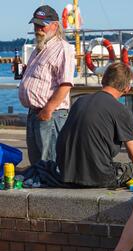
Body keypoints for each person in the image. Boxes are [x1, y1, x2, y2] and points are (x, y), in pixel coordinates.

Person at [56, 62, 133, 189]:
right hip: (99, 177)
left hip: (65, 174)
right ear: (127, 88)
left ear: (103, 80)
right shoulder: (121, 111)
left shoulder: (79, 102)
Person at [19, 5, 76, 165]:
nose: (38, 28)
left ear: (55, 25)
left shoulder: (63, 49)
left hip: (50, 114)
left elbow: (65, 84)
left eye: (42, 25)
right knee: (37, 162)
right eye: (36, 24)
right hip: (35, 112)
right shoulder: (40, 48)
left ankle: (49, 188)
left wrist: (48, 110)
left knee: (49, 163)